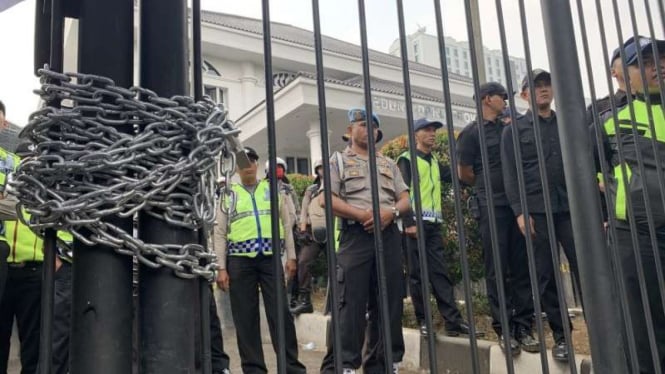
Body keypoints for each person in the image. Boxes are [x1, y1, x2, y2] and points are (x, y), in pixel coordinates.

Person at [592, 36, 665, 374]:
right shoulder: (606, 121)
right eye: (645, 62)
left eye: (661, 59)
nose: (658, 66)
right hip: (636, 238)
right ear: (620, 73)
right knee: (643, 333)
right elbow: (586, 175)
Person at [319, 108, 410, 374]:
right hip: (356, 236)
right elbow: (328, 200)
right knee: (350, 304)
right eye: (360, 124)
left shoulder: (388, 163)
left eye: (371, 125)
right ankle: (343, 365)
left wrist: (390, 213)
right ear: (349, 131)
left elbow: (404, 198)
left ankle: (382, 365)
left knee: (388, 301)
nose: (366, 129)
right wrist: (362, 215)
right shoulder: (338, 161)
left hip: (388, 235)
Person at [501, 70, 580, 362]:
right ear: (524, 95)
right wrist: (520, 211)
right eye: (536, 86)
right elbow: (511, 175)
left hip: (571, 208)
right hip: (536, 210)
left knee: (585, 268)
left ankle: (602, 328)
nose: (544, 90)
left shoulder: (569, 124)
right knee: (546, 275)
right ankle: (562, 337)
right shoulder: (514, 130)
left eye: (547, 85)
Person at [456, 82, 536, 356]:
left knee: (522, 265)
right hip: (491, 205)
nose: (505, 100)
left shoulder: (511, 127)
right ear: (486, 99)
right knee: (497, 267)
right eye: (501, 96)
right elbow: (464, 172)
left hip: (519, 205)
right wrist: (487, 184)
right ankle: (505, 328)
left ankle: (525, 326)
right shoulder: (470, 134)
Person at [216, 147, 306, 374]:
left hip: (269, 259)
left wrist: (292, 257)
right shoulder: (228, 194)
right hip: (239, 261)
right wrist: (221, 268)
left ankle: (291, 368)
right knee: (245, 319)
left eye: (251, 161)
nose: (247, 166)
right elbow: (219, 233)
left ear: (257, 165)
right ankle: (254, 369)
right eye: (243, 163)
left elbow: (287, 225)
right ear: (237, 168)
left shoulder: (273, 190)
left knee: (281, 315)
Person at [396, 117, 478, 338]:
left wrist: (471, 169)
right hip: (414, 225)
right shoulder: (406, 160)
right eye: (427, 130)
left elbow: (455, 177)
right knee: (417, 274)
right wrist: (409, 222)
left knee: (439, 273)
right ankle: (424, 320)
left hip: (433, 225)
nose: (432, 133)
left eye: (434, 130)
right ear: (415, 135)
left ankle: (453, 321)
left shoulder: (432, 161)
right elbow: (401, 193)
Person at [291, 159, 326, 315]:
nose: (323, 170)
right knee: (304, 261)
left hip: (333, 230)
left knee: (341, 264)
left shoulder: (338, 185)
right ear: (317, 170)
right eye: (320, 167)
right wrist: (303, 231)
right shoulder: (311, 190)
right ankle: (305, 300)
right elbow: (304, 212)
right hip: (313, 231)